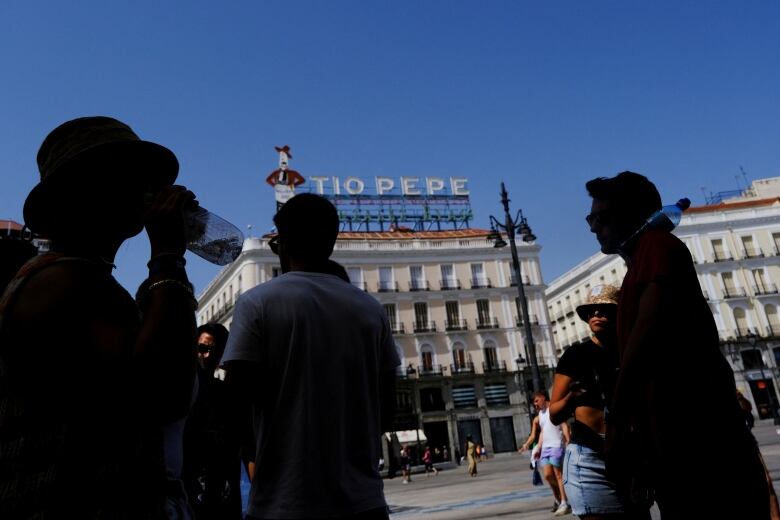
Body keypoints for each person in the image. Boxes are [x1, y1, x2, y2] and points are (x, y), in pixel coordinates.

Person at [0, 116, 198, 517]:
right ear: (81, 194)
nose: (146, 191)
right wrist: (167, 257)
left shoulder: (79, 278)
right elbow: (164, 393)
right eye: (126, 177)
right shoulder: (66, 281)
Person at [585, 171, 770, 518]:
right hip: (677, 442)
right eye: (590, 218)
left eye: (601, 217)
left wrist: (619, 417)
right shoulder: (637, 265)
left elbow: (647, 334)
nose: (593, 226)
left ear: (632, 213)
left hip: (698, 441)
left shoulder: (658, 247)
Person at [222, 193, 400, 520]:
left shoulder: (257, 303)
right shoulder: (371, 310)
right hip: (363, 504)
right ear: (331, 243)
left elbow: (233, 405)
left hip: (283, 503)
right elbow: (389, 409)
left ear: (284, 243)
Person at [550, 285, 650, 519]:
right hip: (589, 459)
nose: (596, 315)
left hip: (631, 455)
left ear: (619, 314)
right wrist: (571, 398)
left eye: (603, 310)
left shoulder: (631, 351)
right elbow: (554, 413)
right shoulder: (575, 355)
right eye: (591, 311)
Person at [182, 323, 243, 520]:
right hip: (190, 485)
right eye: (202, 348)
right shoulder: (182, 390)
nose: (207, 355)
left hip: (219, 486)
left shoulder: (226, 392)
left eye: (214, 350)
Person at [519, 392, 571, 516]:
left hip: (556, 445)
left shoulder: (553, 410)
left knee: (558, 475)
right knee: (548, 476)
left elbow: (564, 425)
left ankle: (563, 503)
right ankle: (559, 498)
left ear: (543, 398)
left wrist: (568, 440)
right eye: (533, 403)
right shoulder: (539, 416)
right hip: (546, 448)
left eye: (536, 401)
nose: (535, 404)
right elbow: (540, 433)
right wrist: (532, 446)